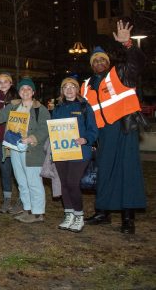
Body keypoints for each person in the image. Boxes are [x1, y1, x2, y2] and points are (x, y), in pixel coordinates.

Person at [81, 19, 146, 234]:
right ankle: (103, 212)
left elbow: (137, 63)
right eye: (95, 60)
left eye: (102, 59)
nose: (99, 62)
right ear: (91, 65)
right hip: (103, 134)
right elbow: (83, 114)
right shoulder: (85, 86)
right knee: (105, 171)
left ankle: (128, 218)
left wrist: (127, 45)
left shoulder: (121, 74)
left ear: (108, 62)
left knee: (128, 171)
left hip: (125, 128)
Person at [0, 78, 50, 223]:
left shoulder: (41, 109)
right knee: (21, 181)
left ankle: (38, 213)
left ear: (33, 92)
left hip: (32, 150)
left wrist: (31, 138)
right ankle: (27, 209)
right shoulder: (13, 107)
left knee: (34, 182)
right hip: (15, 149)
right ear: (19, 92)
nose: (25, 91)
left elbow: (45, 129)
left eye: (28, 89)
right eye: (22, 89)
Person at [51, 77, 98, 233]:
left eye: (72, 87)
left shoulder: (85, 107)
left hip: (80, 151)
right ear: (62, 91)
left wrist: (86, 139)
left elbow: (93, 130)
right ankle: (68, 214)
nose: (69, 90)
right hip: (62, 151)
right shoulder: (58, 108)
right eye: (66, 87)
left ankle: (79, 215)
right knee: (63, 183)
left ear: (77, 89)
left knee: (72, 182)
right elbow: (53, 130)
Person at [0, 73, 20, 213]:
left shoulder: (18, 97)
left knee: (19, 171)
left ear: (11, 82)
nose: (2, 84)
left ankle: (22, 199)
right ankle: (7, 199)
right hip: (0, 139)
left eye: (5, 81)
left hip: (16, 139)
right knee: (5, 170)